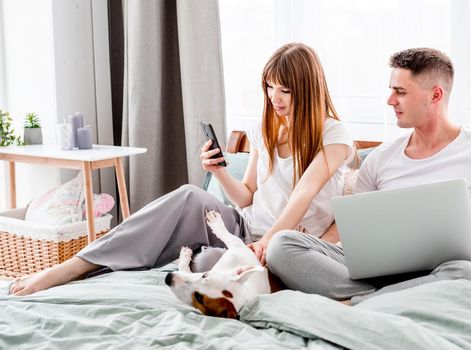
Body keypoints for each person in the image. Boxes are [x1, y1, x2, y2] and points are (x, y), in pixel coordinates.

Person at [10, 42, 354, 296]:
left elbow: (305, 191)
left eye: (285, 90)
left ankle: (250, 272)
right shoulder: (266, 128)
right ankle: (77, 265)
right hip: (244, 230)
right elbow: (247, 196)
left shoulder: (333, 134)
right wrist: (218, 172)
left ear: (307, 90)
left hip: (289, 243)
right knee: (190, 196)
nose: (274, 98)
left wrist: (268, 240)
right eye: (269, 87)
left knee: (205, 266)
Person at [265, 48, 471, 304]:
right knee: (282, 244)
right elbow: (348, 227)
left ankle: (357, 304)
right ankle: (377, 302)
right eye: (391, 90)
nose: (390, 100)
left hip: (437, 272)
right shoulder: (381, 157)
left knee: (470, 277)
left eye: (400, 92)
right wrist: (317, 251)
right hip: (370, 271)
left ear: (435, 95)